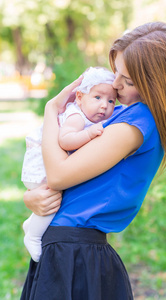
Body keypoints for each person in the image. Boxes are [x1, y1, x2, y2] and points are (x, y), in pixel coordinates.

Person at [20, 22, 166, 300]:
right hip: (68, 246)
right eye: (117, 73)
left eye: (127, 80)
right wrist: (33, 198)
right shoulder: (125, 116)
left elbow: (58, 174)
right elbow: (67, 175)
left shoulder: (137, 123)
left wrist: (51, 109)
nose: (115, 85)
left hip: (75, 254)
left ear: (156, 83)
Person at [21, 66, 117, 262]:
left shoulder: (86, 116)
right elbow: (65, 140)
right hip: (41, 168)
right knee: (52, 199)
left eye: (110, 101)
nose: (104, 106)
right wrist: (89, 134)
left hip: (49, 164)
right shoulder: (76, 117)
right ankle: (33, 235)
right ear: (79, 97)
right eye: (97, 98)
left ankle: (30, 223)